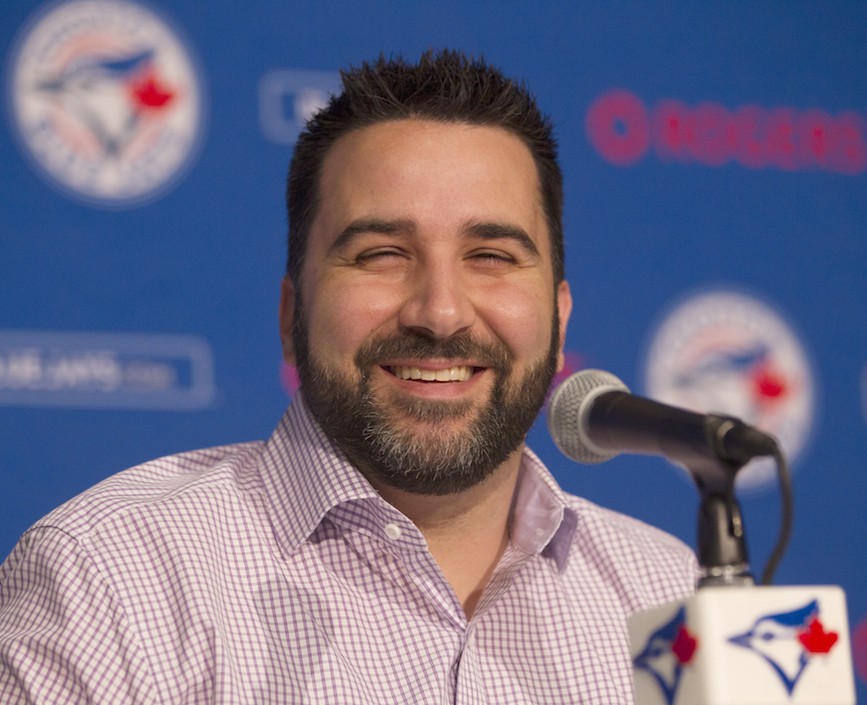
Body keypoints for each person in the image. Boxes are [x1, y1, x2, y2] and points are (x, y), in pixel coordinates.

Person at [0, 50, 697, 703]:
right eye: (381, 253)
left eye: (490, 255)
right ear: (291, 312)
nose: (442, 312)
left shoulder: (671, 593)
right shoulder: (108, 577)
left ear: (559, 315)